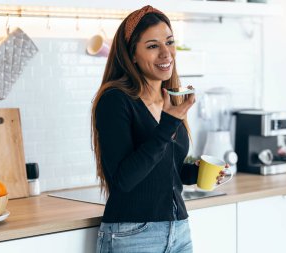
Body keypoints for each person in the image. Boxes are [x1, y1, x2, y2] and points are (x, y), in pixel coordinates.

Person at [91, 5, 198, 253]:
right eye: (152, 46)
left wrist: (196, 173)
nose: (166, 53)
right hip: (133, 235)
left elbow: (162, 169)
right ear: (132, 55)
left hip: (179, 231)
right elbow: (123, 181)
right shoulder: (115, 100)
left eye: (169, 42)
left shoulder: (170, 99)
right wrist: (168, 125)